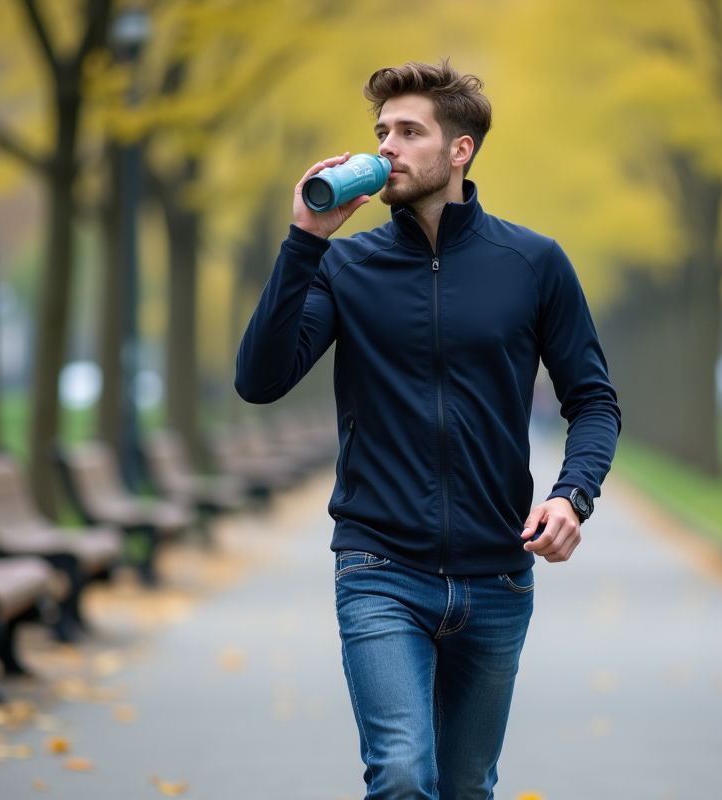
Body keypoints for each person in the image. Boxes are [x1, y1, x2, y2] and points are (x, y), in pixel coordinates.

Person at [234, 60, 620, 799]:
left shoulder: (534, 263)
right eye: (381, 132)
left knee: (467, 786)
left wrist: (573, 496)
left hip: (498, 575)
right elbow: (260, 380)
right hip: (380, 568)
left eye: (409, 132)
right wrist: (304, 241)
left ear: (459, 151)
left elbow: (594, 400)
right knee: (405, 775)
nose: (388, 149)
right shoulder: (344, 266)